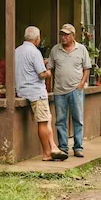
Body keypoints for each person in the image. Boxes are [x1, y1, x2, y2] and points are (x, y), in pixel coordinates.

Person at [15, 26, 68, 161]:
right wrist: (49, 72)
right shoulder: (34, 52)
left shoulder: (16, 51)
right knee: (43, 122)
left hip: (22, 90)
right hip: (36, 92)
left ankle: (53, 147)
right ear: (37, 39)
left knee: (47, 118)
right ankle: (46, 153)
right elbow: (42, 74)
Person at [48, 23, 92, 157]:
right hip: (59, 91)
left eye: (66, 35)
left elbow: (87, 68)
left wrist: (82, 83)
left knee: (78, 119)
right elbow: (50, 68)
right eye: (62, 34)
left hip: (76, 90)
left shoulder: (82, 49)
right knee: (60, 120)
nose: (63, 37)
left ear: (73, 36)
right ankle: (63, 147)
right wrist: (49, 88)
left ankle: (78, 147)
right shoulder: (55, 50)